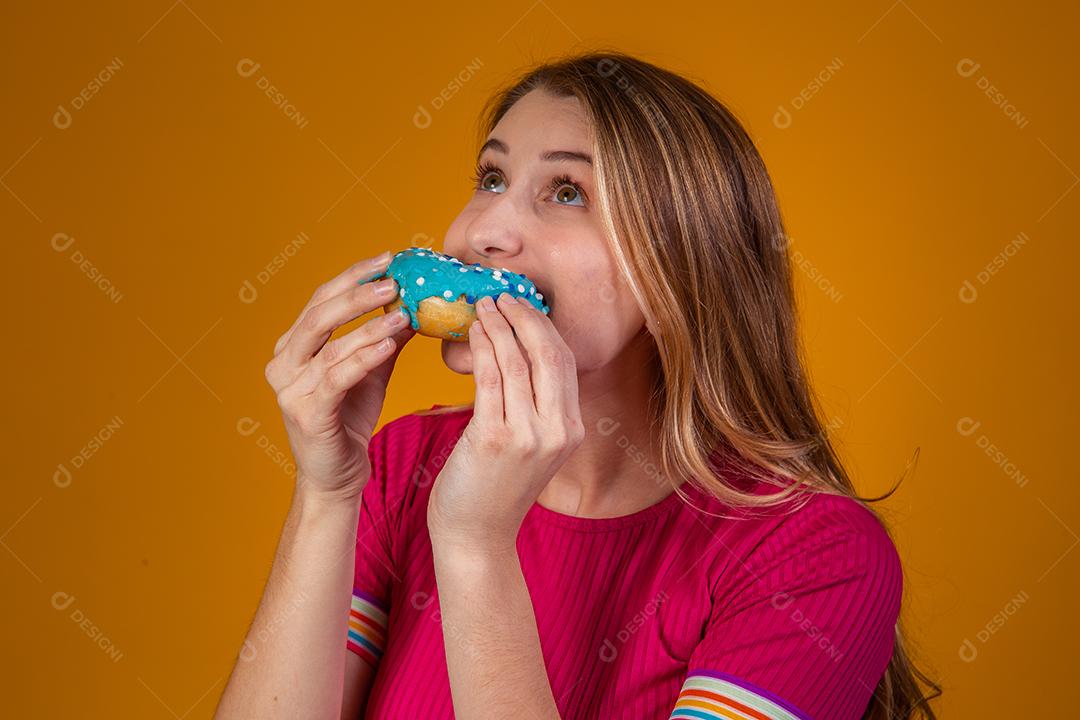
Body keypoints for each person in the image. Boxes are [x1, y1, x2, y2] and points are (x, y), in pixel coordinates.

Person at [215, 50, 941, 719]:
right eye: (491, 179)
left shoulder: (815, 559)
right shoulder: (403, 469)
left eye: (566, 192)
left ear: (680, 269)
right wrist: (328, 492)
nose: (485, 233)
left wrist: (475, 545)